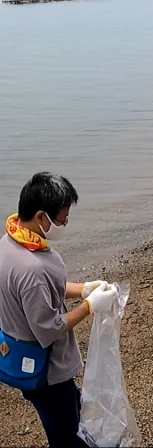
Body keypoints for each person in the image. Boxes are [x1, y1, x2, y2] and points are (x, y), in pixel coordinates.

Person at [0, 173, 118, 447]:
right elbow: (48, 329)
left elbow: (46, 290)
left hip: (17, 355)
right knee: (64, 433)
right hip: (46, 371)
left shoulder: (8, 242)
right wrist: (89, 307)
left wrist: (84, 288)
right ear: (41, 217)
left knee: (69, 409)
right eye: (62, 218)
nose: (65, 223)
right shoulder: (32, 269)